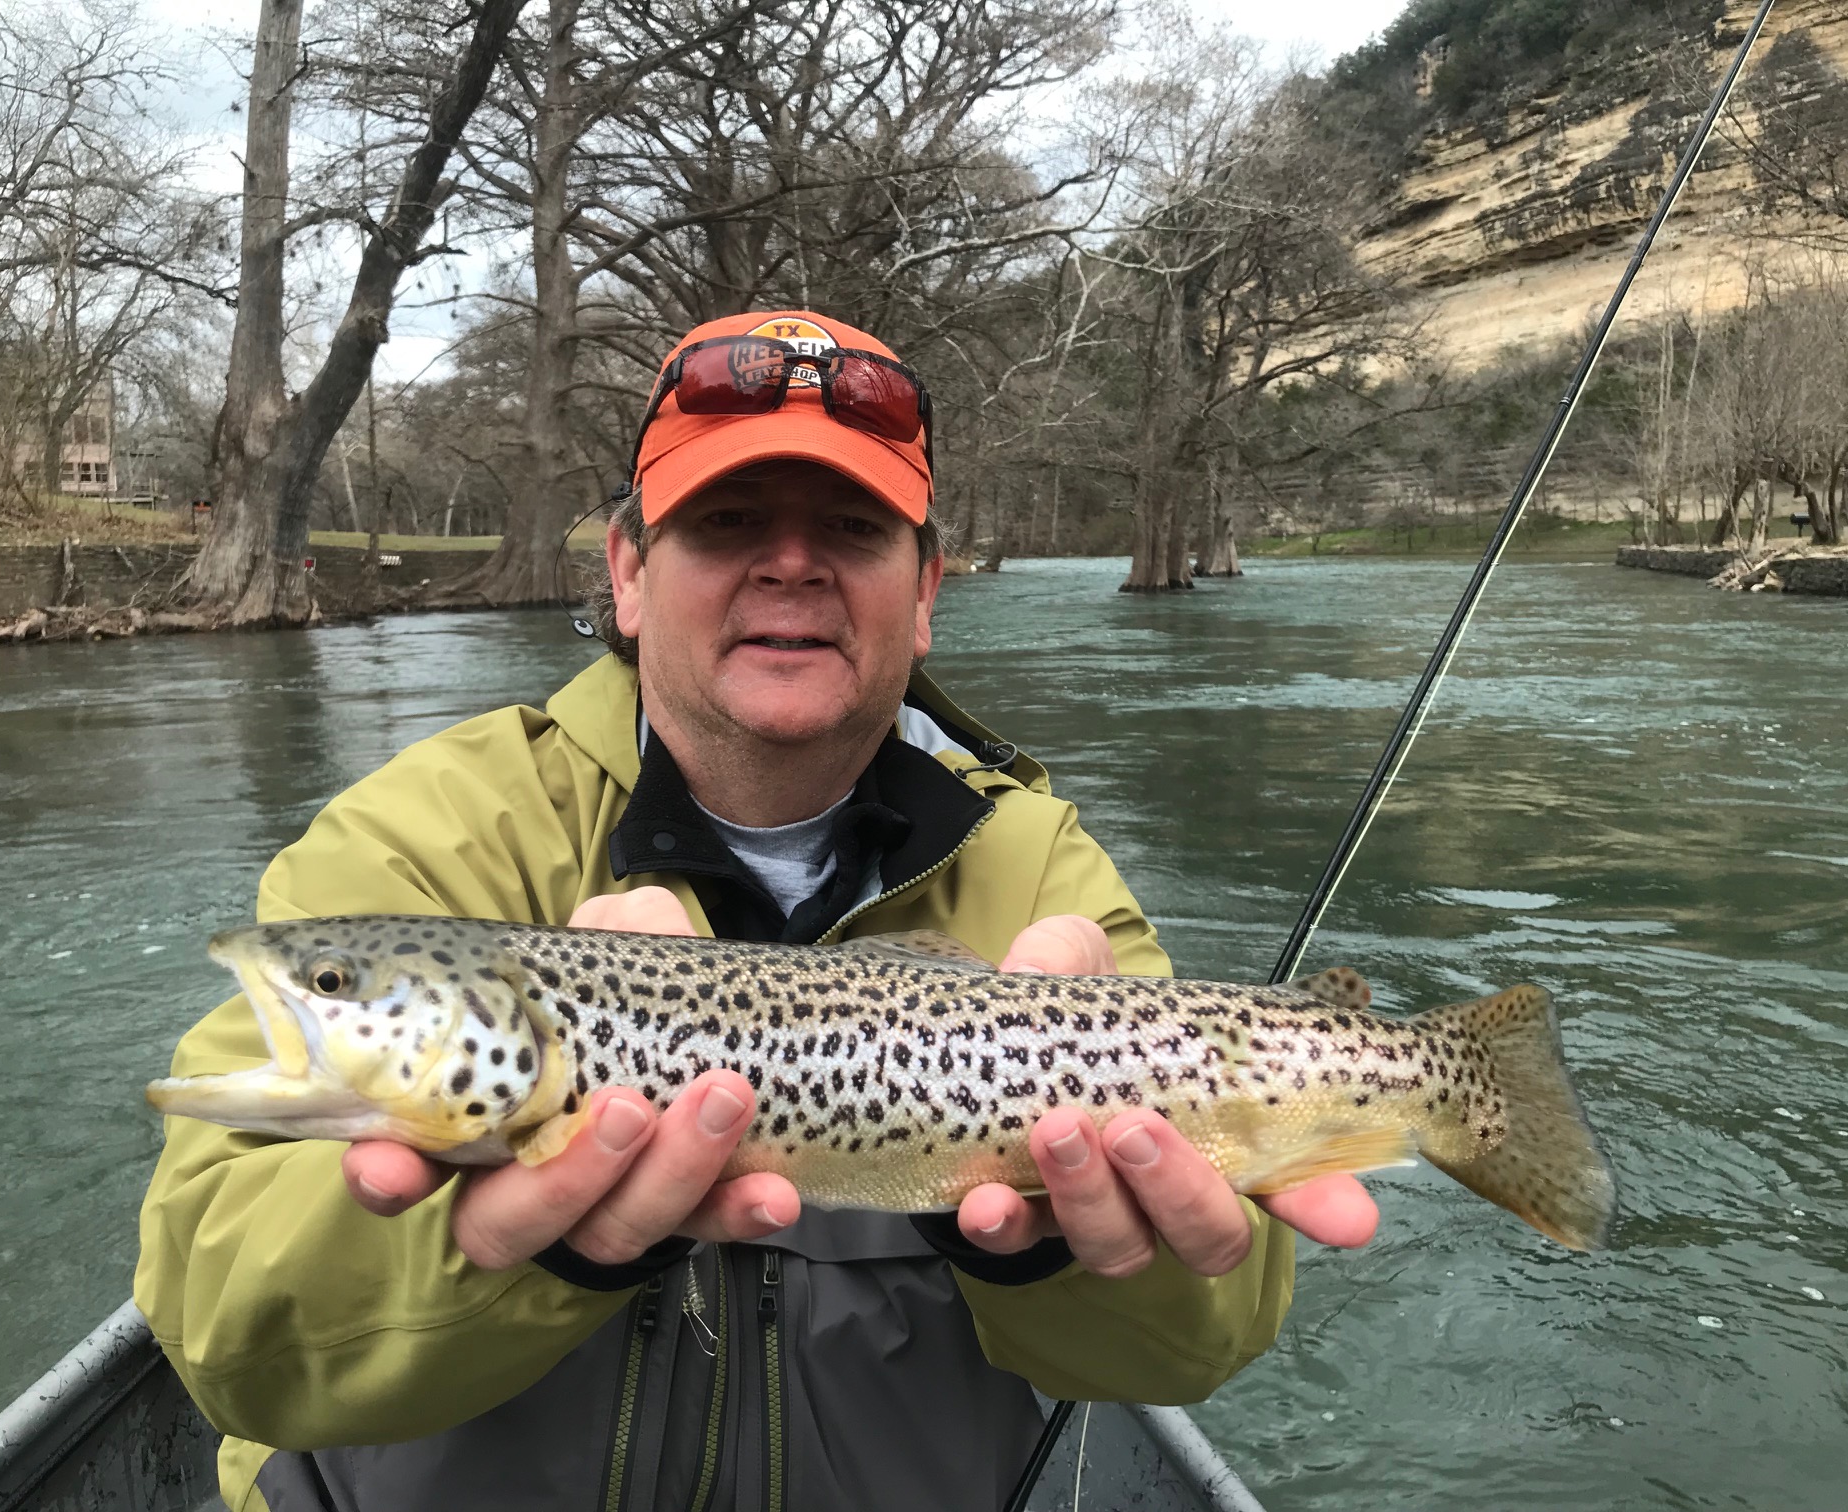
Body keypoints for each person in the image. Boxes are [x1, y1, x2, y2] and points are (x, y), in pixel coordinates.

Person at [135, 308, 1376, 1512]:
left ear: (926, 587)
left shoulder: (1041, 869)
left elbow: (1206, 1337)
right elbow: (221, 1331)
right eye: (728, 522)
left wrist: (1049, 1245)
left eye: (852, 524)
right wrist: (529, 1249)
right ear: (628, 572)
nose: (792, 562)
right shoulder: (426, 837)